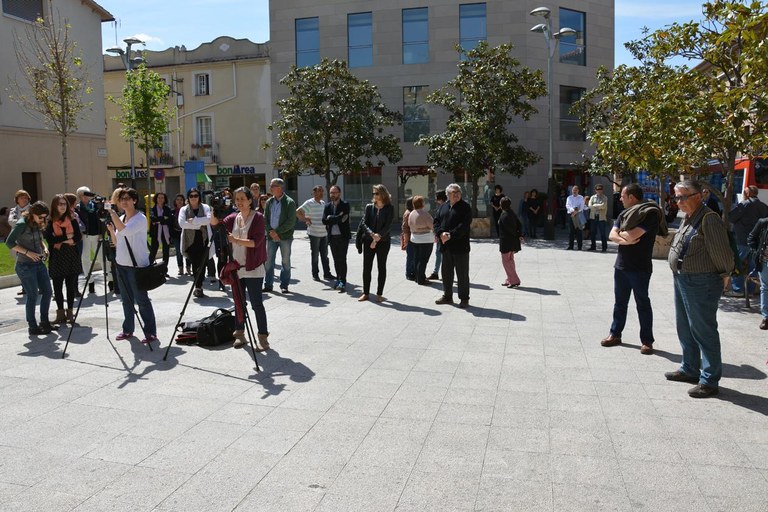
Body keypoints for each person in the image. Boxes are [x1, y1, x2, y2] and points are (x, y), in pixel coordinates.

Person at [665, 180, 734, 398]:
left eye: (683, 196)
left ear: (699, 195)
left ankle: (710, 380)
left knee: (703, 330)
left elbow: (722, 253)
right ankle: (689, 369)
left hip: (701, 281)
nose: (679, 201)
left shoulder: (708, 218)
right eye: (676, 197)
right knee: (684, 327)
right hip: (683, 278)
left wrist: (725, 275)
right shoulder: (687, 217)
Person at [601, 184, 664, 355]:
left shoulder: (648, 214)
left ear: (632, 197)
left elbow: (632, 235)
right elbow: (611, 235)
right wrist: (624, 240)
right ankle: (615, 334)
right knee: (619, 303)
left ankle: (647, 341)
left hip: (640, 267)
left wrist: (622, 237)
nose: (620, 199)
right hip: (621, 265)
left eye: (622, 195)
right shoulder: (623, 213)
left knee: (642, 304)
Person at [214, 187, 270, 350]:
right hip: (237, 268)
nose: (239, 202)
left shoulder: (258, 217)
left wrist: (235, 240)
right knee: (239, 303)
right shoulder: (233, 217)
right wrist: (214, 209)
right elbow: (215, 224)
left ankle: (263, 338)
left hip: (253, 267)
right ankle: (240, 334)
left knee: (256, 304)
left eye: (242, 199)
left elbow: (255, 242)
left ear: (250, 200)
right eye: (236, 199)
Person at [106, 188, 158, 344]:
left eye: (128, 198)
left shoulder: (140, 218)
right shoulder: (122, 217)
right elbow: (117, 241)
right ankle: (128, 329)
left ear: (134, 201)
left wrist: (112, 213)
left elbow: (126, 232)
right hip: (121, 263)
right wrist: (111, 231)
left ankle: (150, 332)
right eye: (122, 199)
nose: (124, 201)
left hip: (137, 266)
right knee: (126, 299)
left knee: (141, 299)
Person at [6, 201, 54, 335]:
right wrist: (27, 253)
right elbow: (9, 243)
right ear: (33, 214)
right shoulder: (21, 224)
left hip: (39, 263)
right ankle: (32, 326)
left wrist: (45, 248)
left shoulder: (37, 223)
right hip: (25, 265)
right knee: (32, 295)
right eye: (41, 217)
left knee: (48, 292)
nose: (43, 220)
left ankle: (44, 322)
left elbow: (39, 239)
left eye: (45, 217)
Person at [44, 194, 83, 325]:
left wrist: (61, 239)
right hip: (57, 257)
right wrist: (68, 238)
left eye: (64, 204)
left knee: (70, 286)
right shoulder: (50, 222)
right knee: (57, 287)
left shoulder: (72, 219)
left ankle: (70, 312)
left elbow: (78, 237)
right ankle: (60, 313)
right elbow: (50, 239)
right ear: (54, 206)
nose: (62, 206)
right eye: (59, 204)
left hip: (71, 256)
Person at [435, 183, 472, 308]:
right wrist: (440, 233)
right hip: (445, 246)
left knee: (462, 274)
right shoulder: (443, 207)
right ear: (447, 195)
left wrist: (450, 235)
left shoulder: (465, 207)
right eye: (453, 192)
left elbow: (464, 225)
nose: (456, 194)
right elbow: (436, 222)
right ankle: (447, 296)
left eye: (458, 192)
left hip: (460, 246)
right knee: (446, 273)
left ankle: (464, 298)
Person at [729, 185, 768, 295]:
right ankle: (750, 291)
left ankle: (737, 289)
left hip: (743, 239)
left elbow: (732, 217)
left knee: (737, 263)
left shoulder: (744, 204)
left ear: (747, 194)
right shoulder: (763, 206)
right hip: (758, 241)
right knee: (754, 265)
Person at [358, 184, 394, 302]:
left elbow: (388, 225)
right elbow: (363, 223)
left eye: (376, 193)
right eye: (373, 193)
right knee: (366, 267)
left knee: (381, 267)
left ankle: (379, 294)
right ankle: (366, 293)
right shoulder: (369, 207)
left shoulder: (389, 208)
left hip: (383, 241)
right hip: (369, 241)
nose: (374, 195)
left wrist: (379, 236)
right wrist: (372, 234)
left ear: (383, 194)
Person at [263, 178, 297, 293]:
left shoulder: (289, 202)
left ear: (279, 188)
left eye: (272, 186)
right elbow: (265, 219)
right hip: (271, 237)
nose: (270, 188)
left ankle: (284, 285)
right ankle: (268, 285)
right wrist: (271, 232)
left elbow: (291, 222)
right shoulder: (269, 202)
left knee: (285, 261)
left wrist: (276, 232)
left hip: (285, 238)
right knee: (268, 262)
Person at [178, 188, 213, 298]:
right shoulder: (184, 209)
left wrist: (193, 221)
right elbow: (182, 223)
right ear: (188, 197)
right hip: (190, 241)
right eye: (191, 196)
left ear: (199, 197)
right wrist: (199, 223)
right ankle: (198, 286)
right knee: (195, 264)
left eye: (196, 195)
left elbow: (208, 220)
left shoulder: (205, 207)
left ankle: (199, 285)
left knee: (202, 264)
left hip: (203, 240)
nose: (194, 198)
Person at [297, 185, 334, 281]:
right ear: (314, 193)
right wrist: (305, 219)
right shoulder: (309, 203)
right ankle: (315, 274)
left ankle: (327, 274)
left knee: (325, 255)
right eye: (319, 191)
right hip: (314, 234)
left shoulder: (322, 203)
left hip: (323, 233)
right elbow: (297, 212)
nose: (322, 193)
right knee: (315, 255)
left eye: (322, 191)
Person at [322, 185, 351, 292]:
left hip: (343, 237)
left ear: (339, 193)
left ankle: (343, 281)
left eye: (335, 192)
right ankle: (338, 280)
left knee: (342, 259)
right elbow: (324, 221)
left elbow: (343, 219)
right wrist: (335, 217)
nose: (332, 194)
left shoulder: (345, 205)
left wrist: (331, 218)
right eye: (331, 193)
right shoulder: (327, 206)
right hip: (332, 237)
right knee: (335, 260)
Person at [75, 187, 103, 294]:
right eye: (82, 195)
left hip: (96, 235)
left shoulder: (95, 205)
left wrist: (101, 233)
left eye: (86, 194)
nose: (85, 197)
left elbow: (101, 220)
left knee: (101, 257)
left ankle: (110, 280)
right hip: (85, 236)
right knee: (85, 258)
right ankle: (90, 282)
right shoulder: (78, 208)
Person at [9, 190, 32, 298]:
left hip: (29, 238)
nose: (24, 199)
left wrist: (18, 223)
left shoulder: (32, 209)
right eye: (22, 197)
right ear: (17, 199)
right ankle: (25, 286)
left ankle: (36, 285)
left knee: (32, 261)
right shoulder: (13, 210)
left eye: (26, 197)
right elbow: (10, 221)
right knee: (20, 263)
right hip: (17, 239)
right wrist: (22, 222)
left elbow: (31, 222)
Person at [747, 217, 768, 329]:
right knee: (765, 288)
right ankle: (766, 317)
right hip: (765, 261)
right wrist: (756, 252)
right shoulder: (763, 222)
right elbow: (751, 238)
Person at [497, 196, 523, 288]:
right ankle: (509, 279)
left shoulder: (504, 215)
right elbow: (519, 224)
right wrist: (519, 235)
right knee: (510, 261)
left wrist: (517, 235)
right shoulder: (511, 213)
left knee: (506, 262)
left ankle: (514, 280)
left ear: (501, 205)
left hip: (506, 242)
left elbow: (509, 229)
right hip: (512, 242)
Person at [408, 195, 434, 285]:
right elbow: (433, 226)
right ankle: (421, 279)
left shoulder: (411, 213)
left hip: (415, 238)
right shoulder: (425, 214)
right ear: (422, 203)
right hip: (425, 239)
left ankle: (417, 277)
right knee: (423, 260)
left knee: (416, 258)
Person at [149, 192, 173, 269]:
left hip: (166, 233)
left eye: (162, 198)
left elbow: (170, 220)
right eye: (159, 197)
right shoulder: (153, 209)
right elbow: (153, 218)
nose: (160, 199)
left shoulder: (167, 209)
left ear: (164, 199)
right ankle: (148, 268)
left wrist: (159, 221)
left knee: (166, 251)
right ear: (156, 199)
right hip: (155, 232)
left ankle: (164, 270)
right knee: (153, 251)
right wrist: (163, 218)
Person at [428, 190, 448, 280]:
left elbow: (439, 222)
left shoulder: (443, 207)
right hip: (442, 234)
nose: (436, 200)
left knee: (441, 254)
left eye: (437, 198)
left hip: (443, 235)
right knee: (439, 254)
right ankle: (437, 272)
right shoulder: (443, 207)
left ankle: (439, 272)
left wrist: (438, 234)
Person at [588, 184, 609, 252]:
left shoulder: (605, 197)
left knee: (603, 233)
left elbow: (603, 206)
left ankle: (604, 247)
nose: (599, 191)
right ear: (595, 190)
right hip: (593, 217)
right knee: (593, 232)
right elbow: (589, 205)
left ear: (602, 190)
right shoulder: (592, 197)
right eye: (597, 189)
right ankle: (593, 246)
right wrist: (598, 206)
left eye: (600, 189)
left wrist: (595, 205)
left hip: (601, 217)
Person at [566, 185, 586, 250]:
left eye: (576, 190)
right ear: (572, 191)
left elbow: (582, 206)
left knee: (579, 231)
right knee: (571, 231)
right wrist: (573, 210)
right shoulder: (569, 197)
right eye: (573, 190)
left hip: (578, 215)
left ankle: (579, 246)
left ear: (578, 191)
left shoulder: (581, 197)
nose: (574, 191)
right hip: (571, 215)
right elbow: (567, 205)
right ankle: (570, 246)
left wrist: (576, 212)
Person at [171, 194, 186, 275]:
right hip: (176, 234)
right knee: (178, 251)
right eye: (177, 199)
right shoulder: (172, 212)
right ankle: (180, 268)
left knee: (187, 251)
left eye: (181, 199)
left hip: (186, 233)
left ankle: (188, 268)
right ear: (175, 201)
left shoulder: (186, 211)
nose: (179, 201)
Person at [401, 197, 415, 281]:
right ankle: (409, 273)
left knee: (412, 256)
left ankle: (411, 271)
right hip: (410, 238)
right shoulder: (408, 213)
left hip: (411, 237)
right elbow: (405, 227)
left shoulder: (411, 212)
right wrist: (406, 239)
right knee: (410, 256)